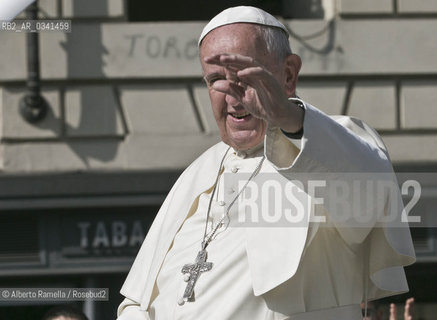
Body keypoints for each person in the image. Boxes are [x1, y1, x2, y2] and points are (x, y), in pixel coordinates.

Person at [117, 6, 415, 320]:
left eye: (246, 76)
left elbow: (367, 195)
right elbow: (136, 301)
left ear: (288, 74)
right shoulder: (198, 172)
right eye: (217, 79)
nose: (233, 97)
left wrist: (288, 117)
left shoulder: (330, 144)